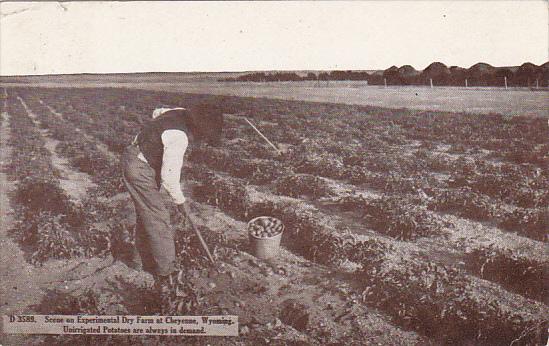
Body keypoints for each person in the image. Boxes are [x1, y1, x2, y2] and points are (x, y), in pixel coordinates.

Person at [122, 103, 223, 294]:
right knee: (159, 219)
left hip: (136, 158)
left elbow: (156, 112)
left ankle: (138, 261)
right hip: (140, 167)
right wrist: (181, 202)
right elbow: (169, 177)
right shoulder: (179, 137)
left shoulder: (177, 113)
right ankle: (166, 274)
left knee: (148, 215)